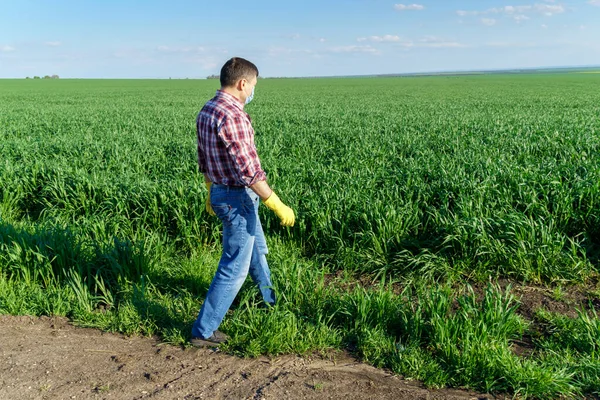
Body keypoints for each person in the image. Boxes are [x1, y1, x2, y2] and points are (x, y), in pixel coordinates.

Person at [191, 57, 295, 347]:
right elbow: (249, 171)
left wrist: (210, 190)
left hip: (222, 192)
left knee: (257, 251)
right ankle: (204, 331)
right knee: (234, 266)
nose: (252, 92)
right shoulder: (233, 115)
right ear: (242, 83)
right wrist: (276, 202)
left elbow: (204, 158)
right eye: (253, 86)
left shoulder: (208, 109)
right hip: (238, 197)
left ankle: (269, 301)